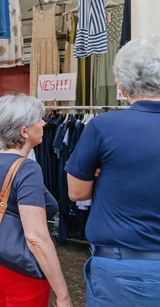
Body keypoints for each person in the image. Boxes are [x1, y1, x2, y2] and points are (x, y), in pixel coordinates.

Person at [66, 37, 160, 306]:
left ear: (120, 84)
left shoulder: (103, 127)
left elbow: (77, 192)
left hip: (121, 269)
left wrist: (104, 175)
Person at [0, 94, 71, 307]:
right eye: (38, 119)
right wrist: (63, 294)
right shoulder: (27, 168)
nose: (43, 123)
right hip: (18, 263)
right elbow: (36, 237)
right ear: (24, 131)